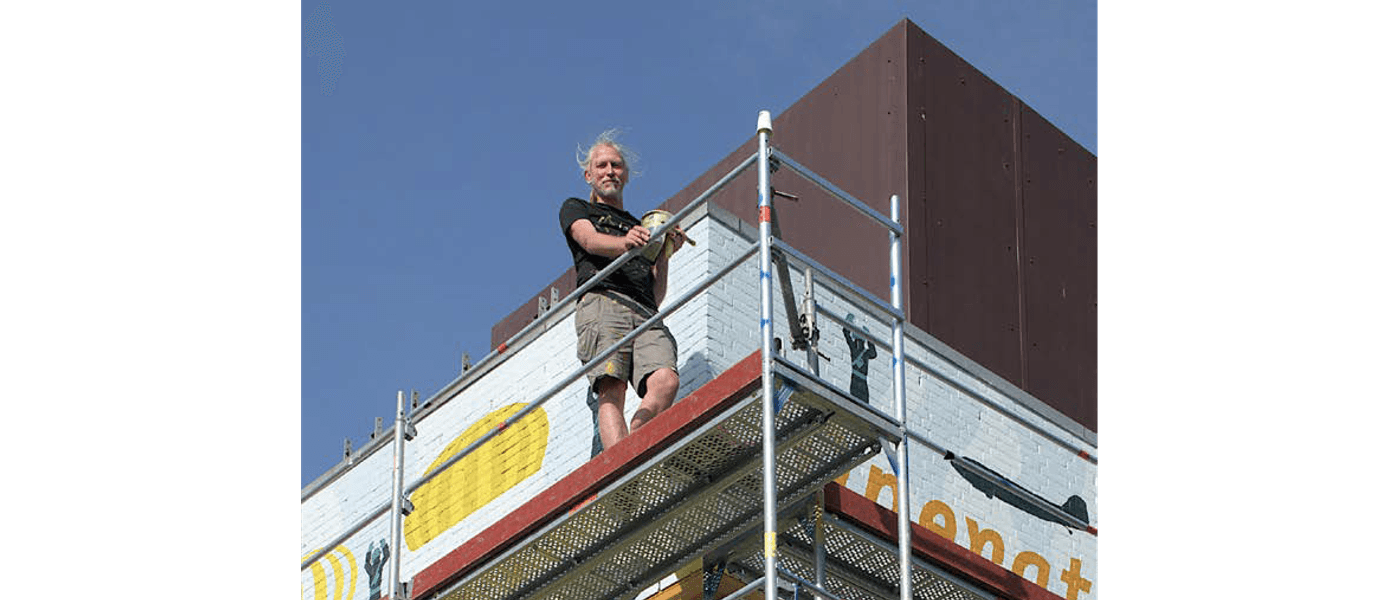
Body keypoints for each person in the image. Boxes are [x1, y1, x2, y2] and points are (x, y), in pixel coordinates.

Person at [560, 130, 687, 453]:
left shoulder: (639, 224)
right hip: (603, 302)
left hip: (644, 312)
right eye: (601, 166)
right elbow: (589, 241)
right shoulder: (577, 208)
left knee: (666, 380)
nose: (609, 171)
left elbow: (655, 294)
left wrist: (664, 252)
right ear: (589, 175)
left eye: (616, 165)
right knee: (611, 389)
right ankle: (621, 467)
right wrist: (626, 243)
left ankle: (638, 438)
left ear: (626, 175)